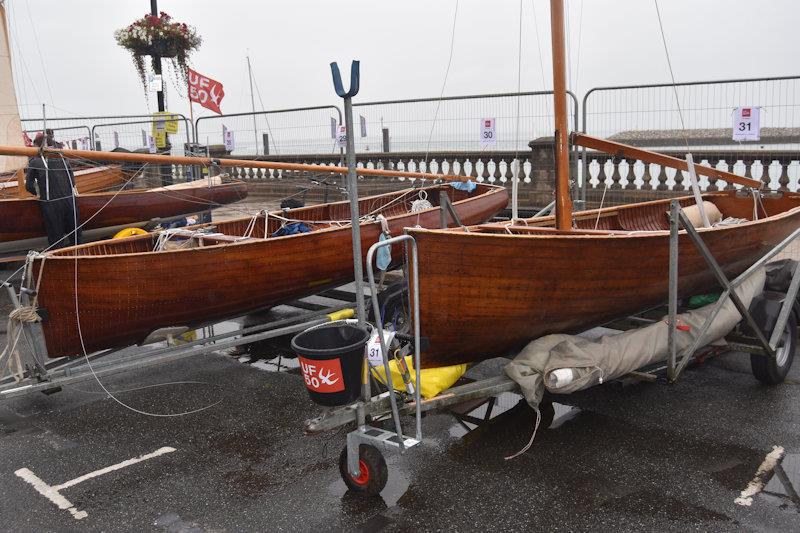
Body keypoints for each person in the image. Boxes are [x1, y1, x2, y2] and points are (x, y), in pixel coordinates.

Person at [25, 132, 81, 248]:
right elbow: (72, 181)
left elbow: (29, 186)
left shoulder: (35, 161)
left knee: (56, 240)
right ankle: (79, 258)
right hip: (70, 201)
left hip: (51, 204)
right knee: (76, 237)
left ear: (38, 146)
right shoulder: (62, 158)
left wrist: (37, 194)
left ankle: (59, 262)